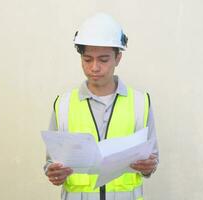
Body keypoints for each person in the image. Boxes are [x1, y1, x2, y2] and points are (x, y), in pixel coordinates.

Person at [43, 13, 159, 200]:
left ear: (118, 58)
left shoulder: (141, 102)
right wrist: (54, 172)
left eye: (103, 60)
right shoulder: (63, 104)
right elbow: (51, 163)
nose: (94, 67)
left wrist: (148, 167)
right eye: (87, 59)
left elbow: (152, 159)